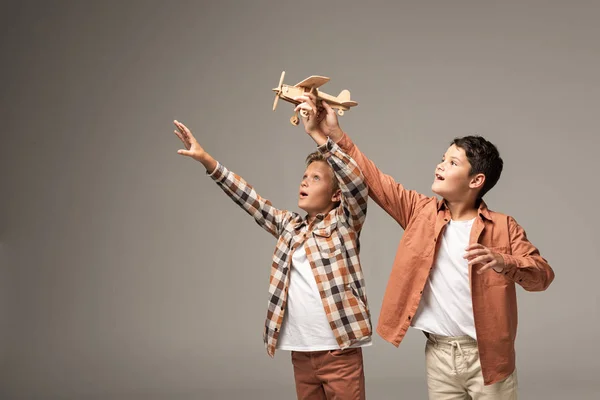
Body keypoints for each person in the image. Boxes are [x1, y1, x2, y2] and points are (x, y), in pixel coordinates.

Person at [294, 93, 555, 400]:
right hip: (440, 354)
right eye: (443, 158)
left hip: (489, 358)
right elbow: (374, 179)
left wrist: (504, 262)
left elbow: (542, 276)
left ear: (476, 180)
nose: (440, 165)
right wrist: (333, 134)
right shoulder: (421, 213)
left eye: (453, 162)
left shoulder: (504, 227)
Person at [170, 119, 372, 399]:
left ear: (336, 195)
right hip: (301, 354)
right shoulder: (289, 226)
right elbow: (251, 200)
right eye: (305, 176)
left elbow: (358, 185)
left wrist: (321, 138)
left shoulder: (344, 225)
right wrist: (207, 161)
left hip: (338, 352)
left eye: (316, 178)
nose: (305, 180)